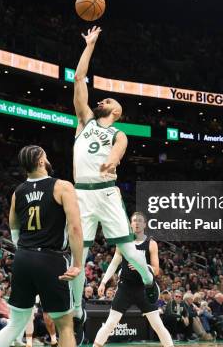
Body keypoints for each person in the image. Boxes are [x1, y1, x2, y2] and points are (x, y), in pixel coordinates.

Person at [71, 26, 158, 342]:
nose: (101, 100)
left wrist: (114, 160)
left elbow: (121, 147)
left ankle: (148, 277)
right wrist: (89, 46)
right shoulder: (83, 121)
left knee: (127, 249)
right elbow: (79, 80)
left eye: (106, 99)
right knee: (77, 256)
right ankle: (78, 312)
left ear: (115, 111)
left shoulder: (118, 133)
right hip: (81, 195)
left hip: (106, 192)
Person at [0, 145, 83, 347]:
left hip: (23, 258)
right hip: (51, 259)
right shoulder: (62, 186)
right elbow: (75, 228)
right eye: (45, 155)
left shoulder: (18, 192)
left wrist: (23, 250)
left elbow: (13, 225)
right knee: (65, 325)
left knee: (15, 324)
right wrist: (78, 263)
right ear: (41, 161)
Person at [94, 212, 173, 347]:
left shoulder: (151, 243)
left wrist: (142, 266)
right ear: (130, 224)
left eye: (140, 221)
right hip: (125, 287)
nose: (137, 223)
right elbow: (114, 263)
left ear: (144, 224)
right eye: (134, 221)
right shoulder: (123, 243)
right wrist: (103, 282)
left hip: (144, 288)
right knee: (111, 323)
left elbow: (156, 269)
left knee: (157, 325)